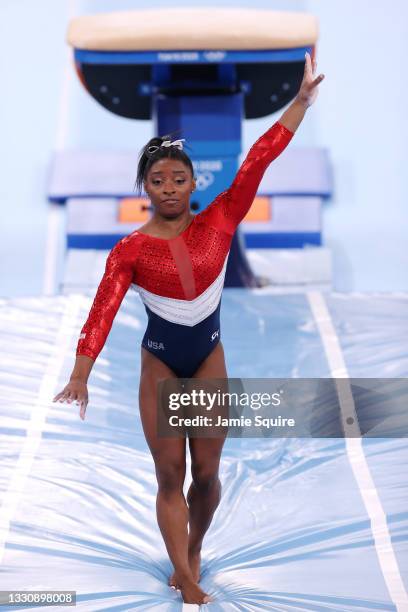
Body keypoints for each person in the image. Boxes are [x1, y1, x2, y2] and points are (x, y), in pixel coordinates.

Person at [53, 52, 324, 605]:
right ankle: (186, 576)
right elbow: (102, 309)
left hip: (207, 360)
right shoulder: (128, 250)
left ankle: (195, 546)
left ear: (192, 180)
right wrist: (81, 373)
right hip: (160, 363)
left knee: (207, 472)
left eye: (179, 177)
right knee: (169, 472)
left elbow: (257, 161)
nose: (170, 187)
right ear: (144, 188)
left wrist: (297, 105)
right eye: (159, 180)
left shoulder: (223, 217)